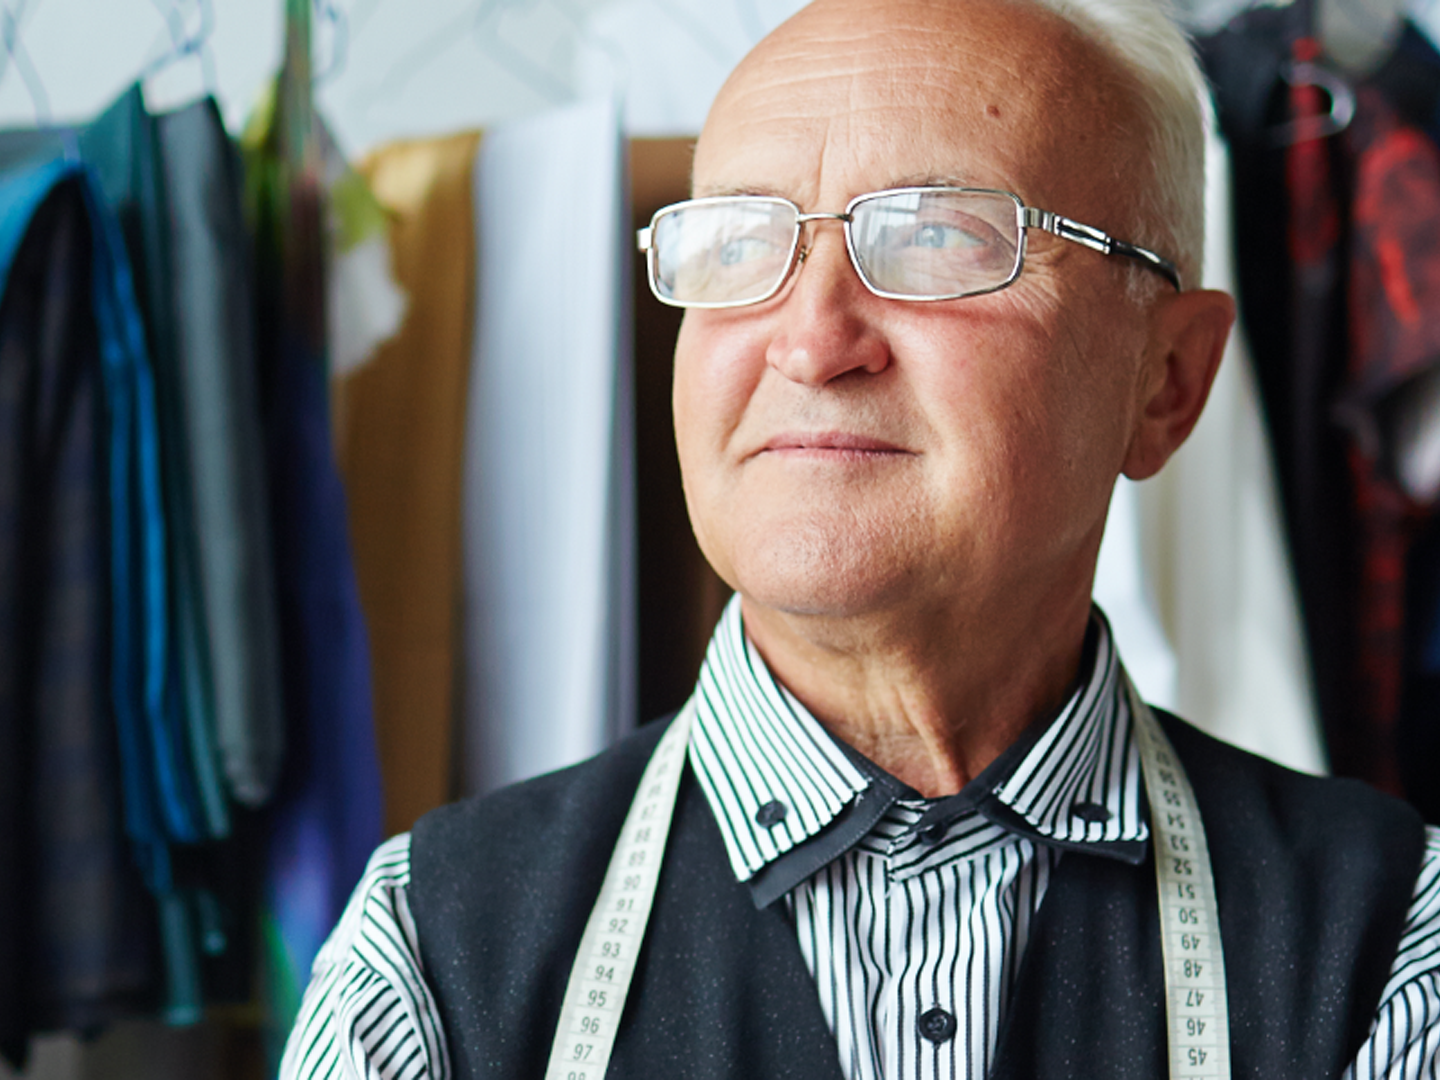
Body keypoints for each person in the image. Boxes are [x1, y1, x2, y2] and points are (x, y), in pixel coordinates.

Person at [280, 0, 1440, 1075]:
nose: (810, 339)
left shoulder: (1392, 942)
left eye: (937, 236)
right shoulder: (425, 957)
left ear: (1167, 381)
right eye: (738, 244)